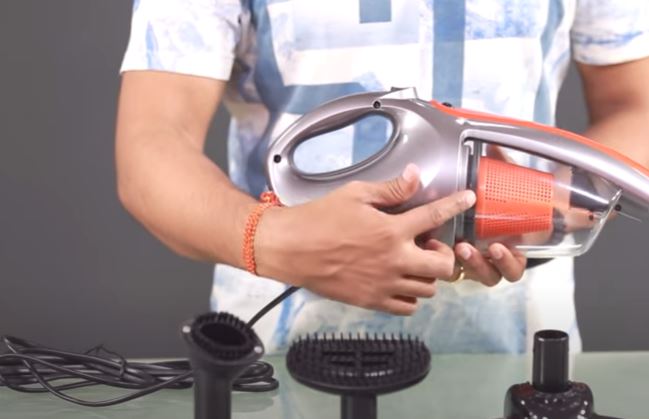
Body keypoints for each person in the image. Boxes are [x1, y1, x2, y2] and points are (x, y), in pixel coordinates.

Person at [116, 0, 649, 354]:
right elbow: (152, 142)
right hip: (277, 350)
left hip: (519, 342)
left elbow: (635, 104)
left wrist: (543, 211)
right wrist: (275, 239)